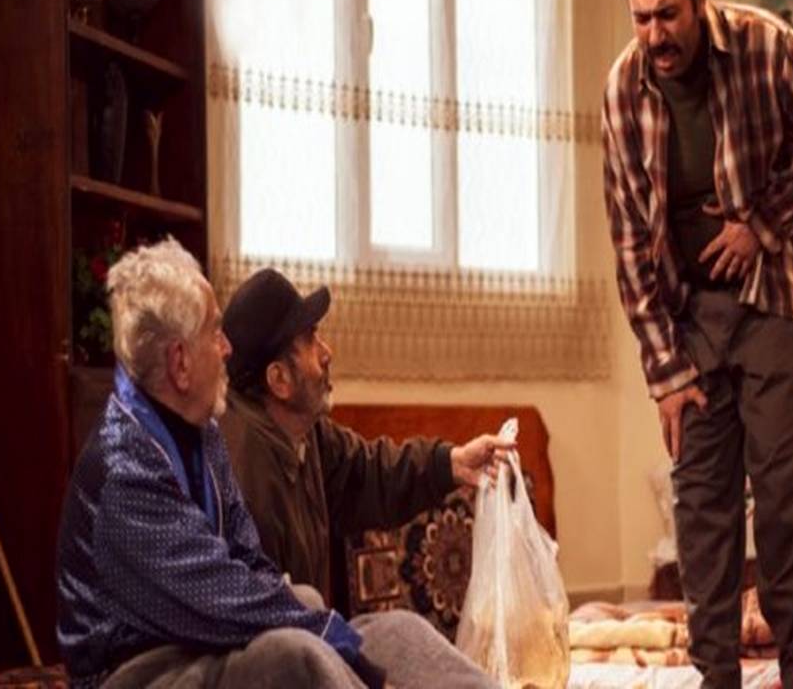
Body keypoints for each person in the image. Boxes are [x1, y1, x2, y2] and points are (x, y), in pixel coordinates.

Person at [601, 0, 793, 688]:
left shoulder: (768, 47)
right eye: (641, 17)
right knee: (701, 509)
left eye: (668, 14)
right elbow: (629, 240)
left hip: (777, 302)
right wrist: (665, 373)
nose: (656, 34)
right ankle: (715, 678)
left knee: (786, 506)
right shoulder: (622, 88)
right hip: (691, 321)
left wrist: (762, 224)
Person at [55, 238, 495, 689]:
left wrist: (323, 627)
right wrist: (329, 635)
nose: (226, 348)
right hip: (142, 670)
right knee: (293, 653)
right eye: (213, 332)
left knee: (377, 627)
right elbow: (223, 596)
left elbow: (250, 561)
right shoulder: (125, 472)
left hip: (204, 643)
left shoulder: (202, 431)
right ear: (180, 362)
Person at [218, 267, 513, 611]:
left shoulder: (304, 433)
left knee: (402, 630)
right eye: (311, 340)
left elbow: (369, 474)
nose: (327, 352)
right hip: (289, 641)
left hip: (311, 633)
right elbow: (268, 623)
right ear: (279, 379)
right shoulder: (246, 478)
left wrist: (452, 463)